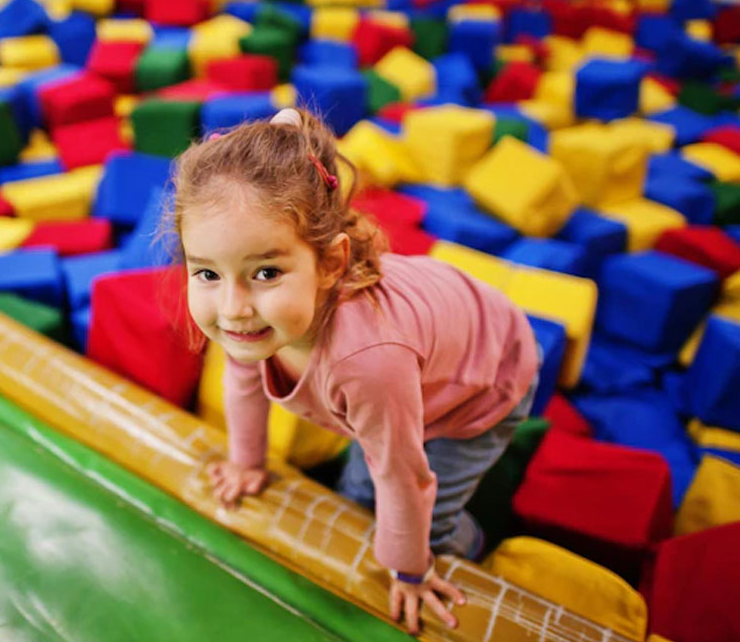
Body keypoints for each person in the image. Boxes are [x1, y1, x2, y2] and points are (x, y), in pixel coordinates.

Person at [167, 107, 540, 634]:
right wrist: (247, 461)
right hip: (426, 350)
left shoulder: (366, 363)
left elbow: (403, 474)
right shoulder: (251, 316)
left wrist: (411, 571)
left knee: (400, 516)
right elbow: (242, 380)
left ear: (331, 264)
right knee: (362, 492)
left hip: (487, 378)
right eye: (206, 272)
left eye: (266, 272)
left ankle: (471, 541)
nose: (231, 306)